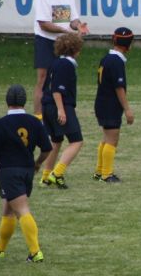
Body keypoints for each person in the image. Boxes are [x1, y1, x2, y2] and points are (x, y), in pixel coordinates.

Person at [0, 85, 51, 262]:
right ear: (24, 101)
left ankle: (35, 252)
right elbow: (47, 148)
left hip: (9, 172)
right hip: (27, 171)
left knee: (21, 210)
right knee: (8, 211)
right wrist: (37, 164)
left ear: (7, 101)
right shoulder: (35, 122)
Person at [33, 0, 89, 119]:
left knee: (64, 76)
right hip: (46, 41)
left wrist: (78, 26)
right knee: (43, 78)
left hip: (64, 42)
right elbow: (44, 24)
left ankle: (64, 109)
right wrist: (65, 31)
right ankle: (38, 116)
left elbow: (73, 20)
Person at [39, 33, 85, 189]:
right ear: (75, 49)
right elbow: (57, 89)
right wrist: (61, 110)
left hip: (46, 105)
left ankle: (45, 177)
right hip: (60, 105)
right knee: (76, 141)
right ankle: (57, 173)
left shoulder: (55, 62)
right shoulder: (66, 65)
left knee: (56, 141)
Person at [93, 27, 135, 183]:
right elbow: (119, 88)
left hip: (101, 102)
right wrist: (127, 109)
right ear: (128, 46)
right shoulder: (117, 62)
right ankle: (107, 174)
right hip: (110, 105)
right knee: (112, 139)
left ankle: (99, 171)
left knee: (106, 138)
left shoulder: (106, 58)